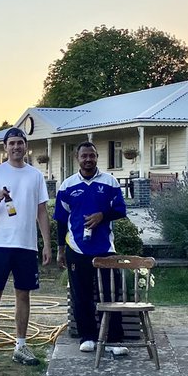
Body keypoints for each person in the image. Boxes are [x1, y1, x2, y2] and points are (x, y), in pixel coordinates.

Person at [0, 127, 51, 368]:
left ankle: (21, 346)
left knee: (23, 295)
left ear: (26, 146)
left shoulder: (35, 175)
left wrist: (46, 244)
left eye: (20, 142)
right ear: (5, 147)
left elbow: (42, 211)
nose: (16, 147)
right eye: (12, 143)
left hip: (26, 245)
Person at [54, 142, 128, 355]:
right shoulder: (67, 186)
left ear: (97, 157)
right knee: (81, 295)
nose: (88, 159)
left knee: (110, 295)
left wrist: (102, 215)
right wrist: (60, 249)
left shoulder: (110, 182)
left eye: (92, 156)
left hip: (105, 248)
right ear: (77, 158)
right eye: (84, 156)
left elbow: (121, 210)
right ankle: (87, 337)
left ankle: (113, 339)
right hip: (76, 248)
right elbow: (61, 220)